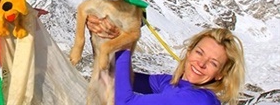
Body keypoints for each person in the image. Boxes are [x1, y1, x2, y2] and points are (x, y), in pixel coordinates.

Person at [86, 15, 246, 105]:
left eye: (213, 63)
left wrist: (125, 41)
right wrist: (103, 35)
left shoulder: (198, 100)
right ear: (189, 52)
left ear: (220, 74)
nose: (201, 64)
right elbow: (117, 79)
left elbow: (124, 102)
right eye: (199, 53)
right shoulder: (171, 84)